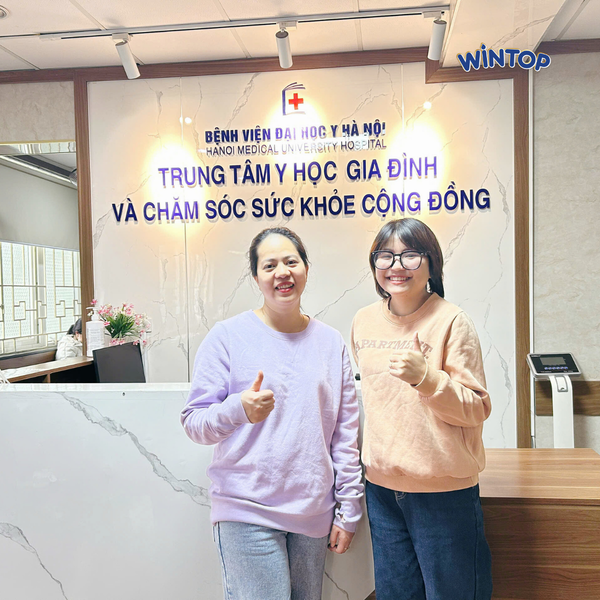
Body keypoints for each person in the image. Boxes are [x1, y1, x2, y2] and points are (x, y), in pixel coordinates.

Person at [181, 227, 363, 600]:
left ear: (306, 268)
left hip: (313, 513)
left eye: (291, 261)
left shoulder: (331, 342)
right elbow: (194, 422)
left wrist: (348, 508)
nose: (282, 272)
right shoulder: (227, 337)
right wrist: (237, 409)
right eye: (270, 265)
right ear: (256, 277)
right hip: (246, 510)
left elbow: (344, 435)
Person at [351, 218, 493, 600]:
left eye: (410, 255)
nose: (396, 266)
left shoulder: (452, 321)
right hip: (381, 490)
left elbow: (476, 408)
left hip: (443, 492)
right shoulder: (363, 321)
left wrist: (427, 379)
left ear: (431, 264)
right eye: (385, 256)